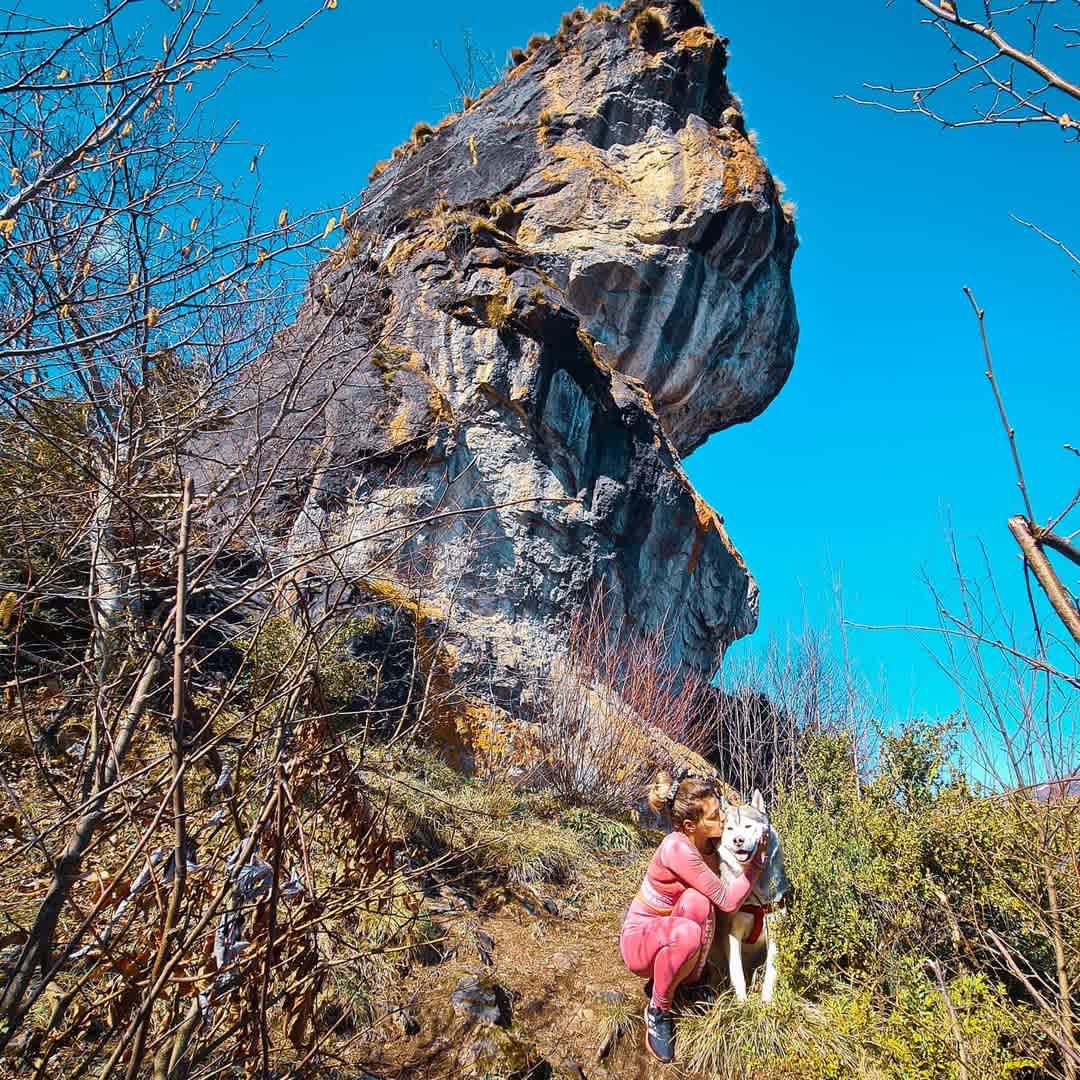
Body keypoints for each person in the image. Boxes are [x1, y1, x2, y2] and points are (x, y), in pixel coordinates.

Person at [619, 770, 766, 1063]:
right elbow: (726, 900)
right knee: (689, 932)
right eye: (713, 817)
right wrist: (756, 866)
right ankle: (658, 1010)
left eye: (720, 811)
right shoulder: (677, 848)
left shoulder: (708, 844)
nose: (722, 819)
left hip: (671, 927)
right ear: (690, 825)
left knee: (699, 902)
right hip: (640, 941)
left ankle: (689, 983)